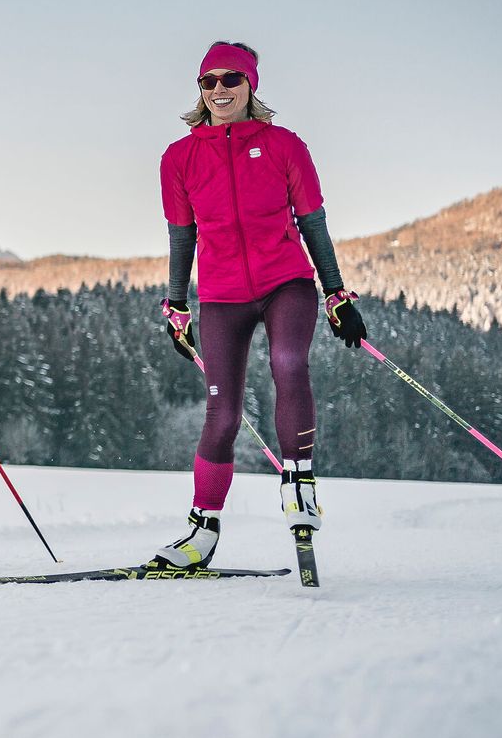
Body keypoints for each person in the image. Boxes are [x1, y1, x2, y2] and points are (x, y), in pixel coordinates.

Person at [153, 41, 368, 568]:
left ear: (251, 86)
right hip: (222, 296)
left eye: (231, 80)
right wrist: (177, 304)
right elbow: (182, 236)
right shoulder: (178, 158)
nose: (220, 90)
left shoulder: (284, 145)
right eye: (209, 82)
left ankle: (299, 483)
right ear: (199, 91)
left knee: (289, 363)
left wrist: (335, 292)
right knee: (221, 413)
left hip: (285, 283)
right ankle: (201, 532)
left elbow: (312, 222)